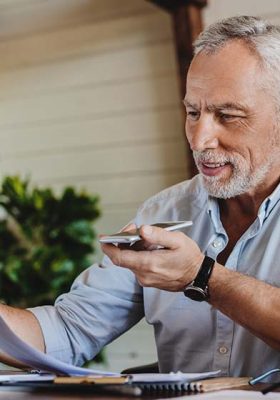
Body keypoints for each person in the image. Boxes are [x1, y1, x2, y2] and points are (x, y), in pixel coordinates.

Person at [1, 15, 280, 380]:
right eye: (192, 112)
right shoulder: (163, 210)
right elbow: (68, 331)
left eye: (227, 116)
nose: (199, 140)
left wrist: (201, 276)